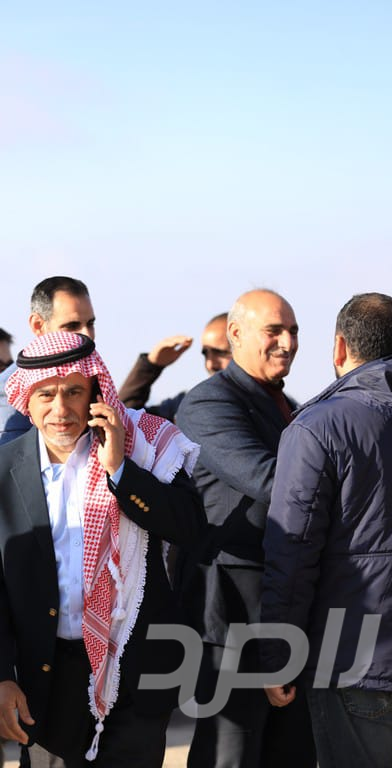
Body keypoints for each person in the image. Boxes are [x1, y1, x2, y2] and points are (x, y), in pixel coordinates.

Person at [0, 331, 204, 768]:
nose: (60, 409)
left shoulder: (141, 447)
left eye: (73, 392)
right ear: (26, 401)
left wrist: (121, 471)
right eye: (46, 395)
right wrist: (1, 676)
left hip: (135, 675)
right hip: (46, 681)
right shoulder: (4, 470)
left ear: (95, 394)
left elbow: (190, 528)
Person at [261, 292, 392, 768]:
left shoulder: (319, 427)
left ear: (339, 347)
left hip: (354, 658)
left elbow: (292, 552)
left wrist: (278, 653)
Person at [176, 289, 316, 768]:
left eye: (293, 331)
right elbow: (273, 482)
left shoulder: (289, 406)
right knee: (229, 755)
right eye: (273, 330)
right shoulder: (208, 404)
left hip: (288, 609)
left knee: (292, 754)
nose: (287, 342)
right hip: (230, 617)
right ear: (235, 334)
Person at [0, 276, 96, 445]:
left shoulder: (94, 376)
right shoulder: (12, 389)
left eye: (90, 324)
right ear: (38, 325)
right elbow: (15, 458)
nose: (87, 335)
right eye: (72, 326)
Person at [118, 313, 231, 420]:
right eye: (205, 354)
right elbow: (127, 418)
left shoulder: (242, 403)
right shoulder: (188, 405)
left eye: (221, 353)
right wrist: (151, 365)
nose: (210, 364)